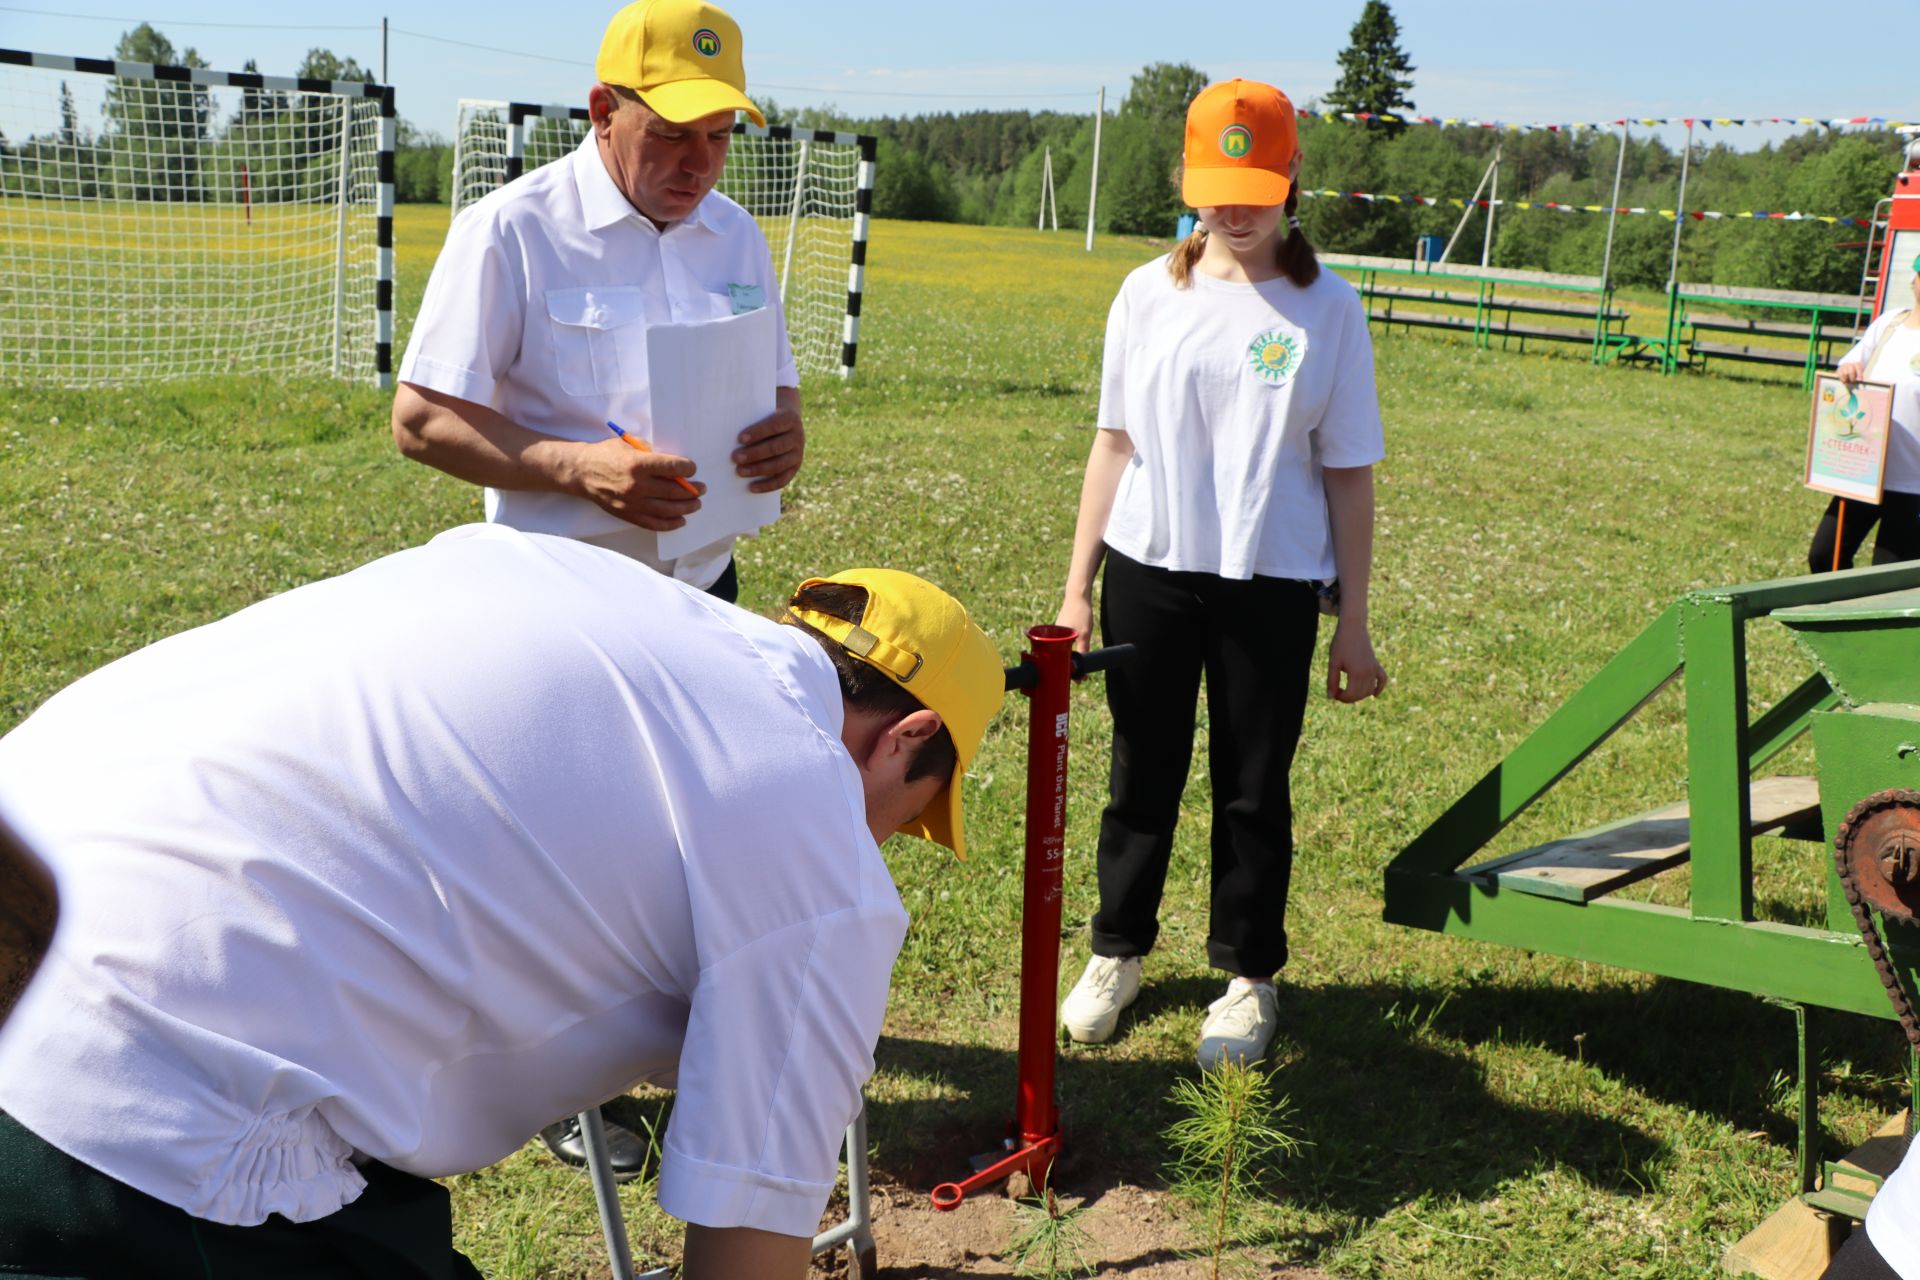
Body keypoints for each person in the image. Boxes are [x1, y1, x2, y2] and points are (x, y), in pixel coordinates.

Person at [0, 524, 1005, 1280]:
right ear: (908, 738)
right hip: (138, 1104)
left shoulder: (563, 572)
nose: (881, 846)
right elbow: (744, 1255)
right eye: (906, 818)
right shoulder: (817, 837)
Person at [391, 0, 804, 1171]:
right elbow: (420, 420)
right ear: (602, 110)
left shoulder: (735, 237)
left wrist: (788, 438)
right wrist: (576, 466)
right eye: (673, 133)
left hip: (702, 592)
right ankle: (578, 1091)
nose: (697, 163)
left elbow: (772, 394)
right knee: (572, 865)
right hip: (559, 608)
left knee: (696, 844)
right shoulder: (511, 231)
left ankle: (690, 1047)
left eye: (721, 136)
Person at [1054, 79, 1388, 1071]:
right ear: (1185, 181)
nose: (1232, 210)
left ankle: (1247, 974)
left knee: (1252, 784)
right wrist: (1077, 589)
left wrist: (1355, 620)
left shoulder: (1328, 308)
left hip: (1270, 581)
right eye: (1212, 188)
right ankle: (1118, 948)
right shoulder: (1147, 293)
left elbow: (1350, 473)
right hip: (1148, 569)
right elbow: (1112, 445)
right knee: (1140, 767)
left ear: (1290, 177)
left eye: (1252, 187)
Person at [1808, 255, 1920, 573]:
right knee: (1824, 558)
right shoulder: (1889, 324)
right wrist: (1848, 369)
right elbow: (1849, 364)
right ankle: (1837, 621)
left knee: (1888, 579)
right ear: (1914, 280)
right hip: (1862, 473)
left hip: (1913, 486)